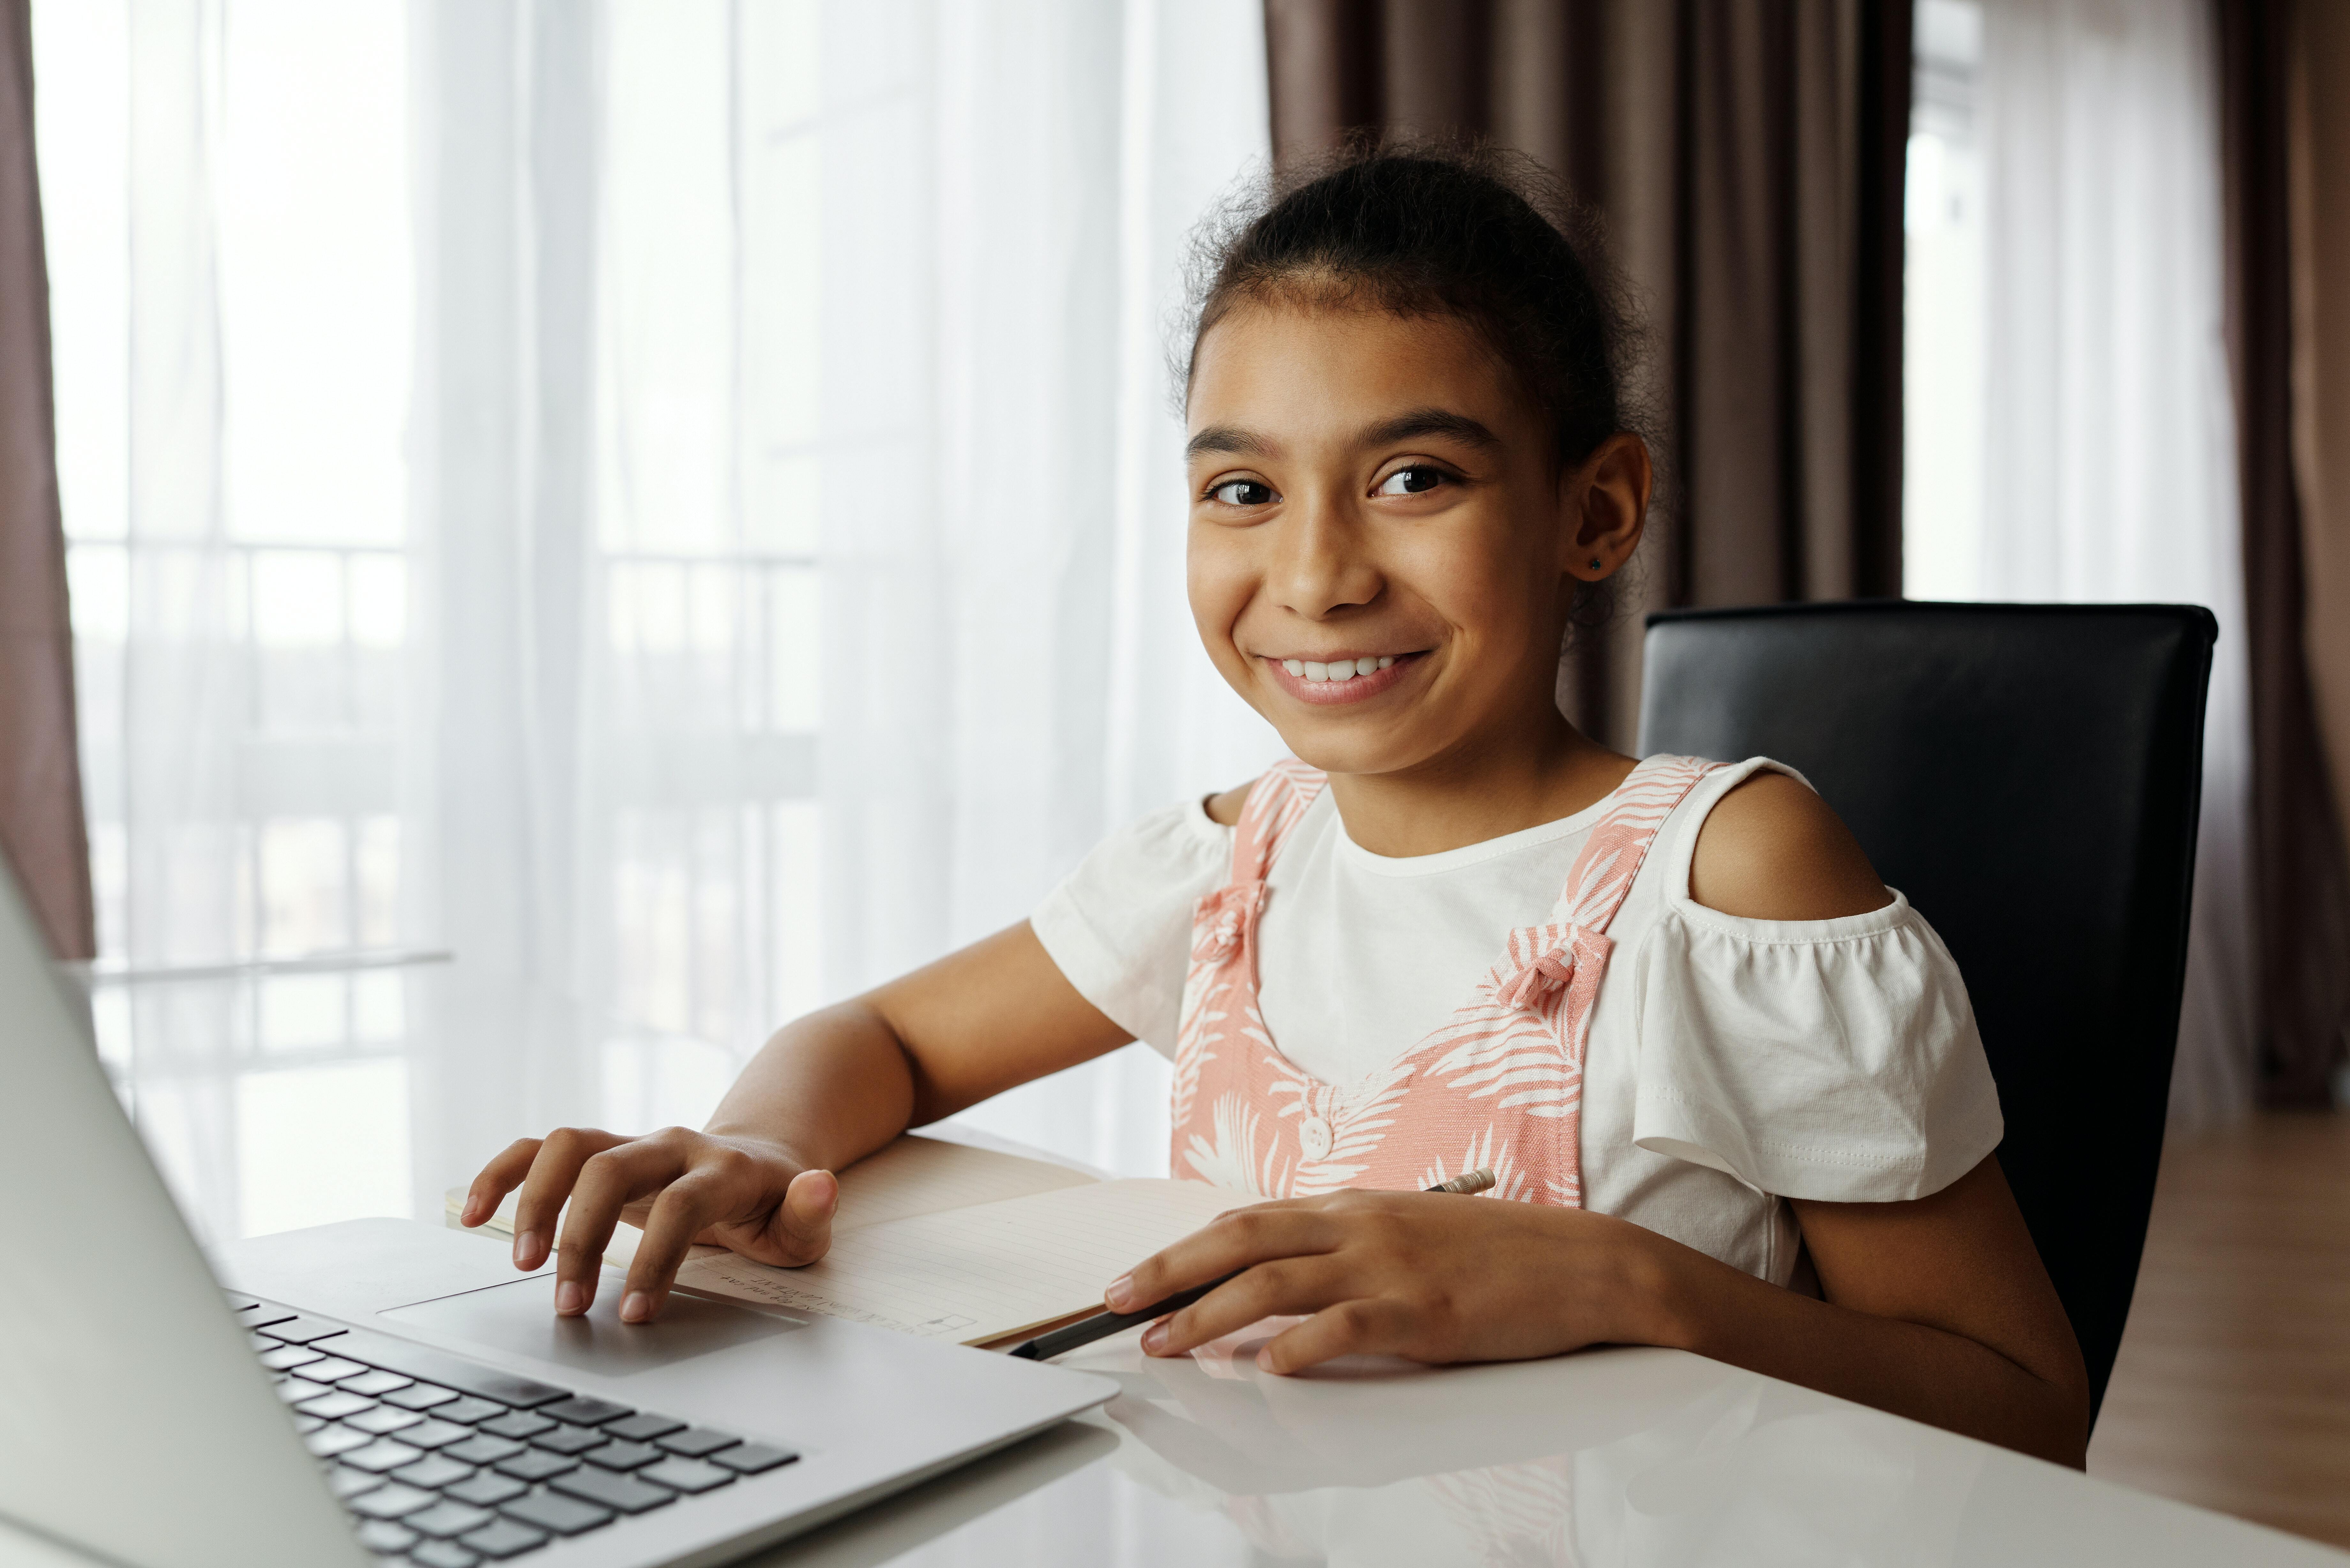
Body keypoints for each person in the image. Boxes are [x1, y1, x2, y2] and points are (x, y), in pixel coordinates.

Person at [462, 143, 2091, 1466]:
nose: (1313, 574)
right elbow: (881, 1042)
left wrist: (1623, 1281)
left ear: (1596, 511)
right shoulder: (1242, 853)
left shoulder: (1726, 878)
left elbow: (2025, 1410)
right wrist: (755, 1142)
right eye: (1242, 489)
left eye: (1415, 479)